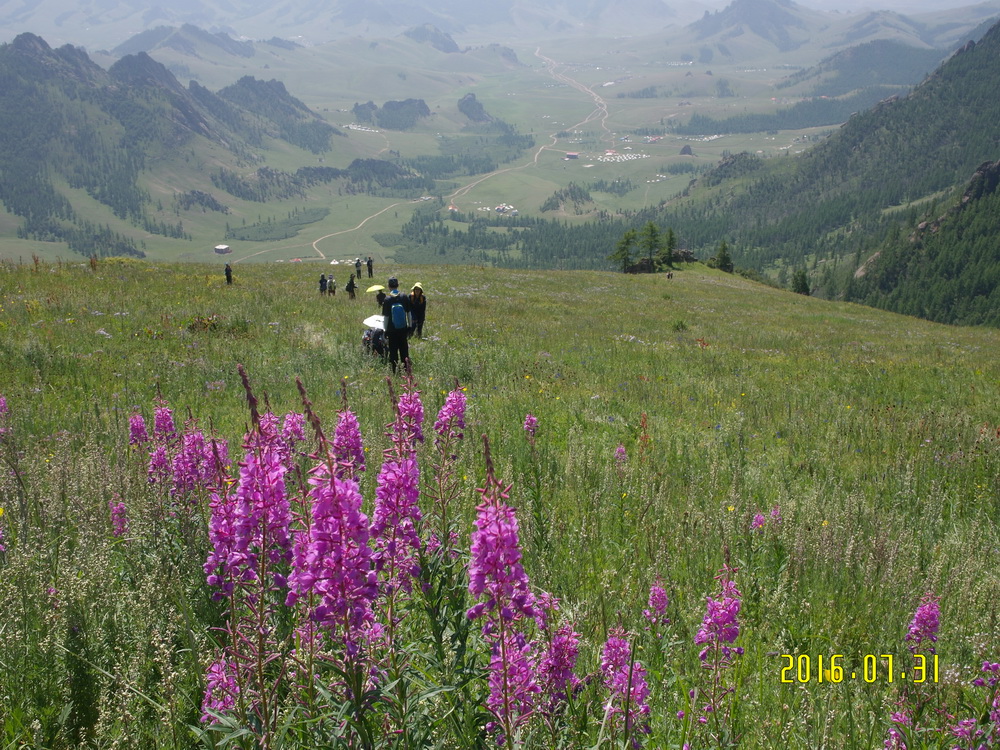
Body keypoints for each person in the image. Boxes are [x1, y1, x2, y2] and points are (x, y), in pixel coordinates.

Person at [381, 276, 413, 373]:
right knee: (404, 350)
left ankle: (394, 371)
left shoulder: (387, 299)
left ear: (389, 286)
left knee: (393, 351)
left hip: (391, 330)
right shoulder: (404, 297)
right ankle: (406, 370)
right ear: (398, 285)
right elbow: (409, 313)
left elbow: (386, 317)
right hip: (403, 329)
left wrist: (384, 330)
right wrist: (410, 326)